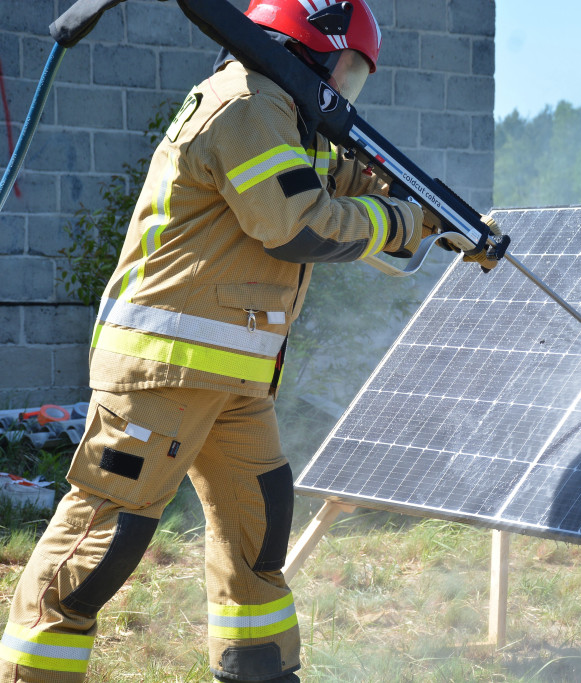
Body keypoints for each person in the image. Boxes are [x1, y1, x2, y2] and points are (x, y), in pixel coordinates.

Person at [0, 1, 448, 681]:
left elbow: (338, 180)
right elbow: (296, 220)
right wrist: (402, 222)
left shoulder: (288, 118)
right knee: (103, 543)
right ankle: (33, 671)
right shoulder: (247, 104)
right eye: (349, 71)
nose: (347, 92)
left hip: (233, 374)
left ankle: (259, 668)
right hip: (165, 369)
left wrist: (430, 205)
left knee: (257, 533)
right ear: (313, 48)